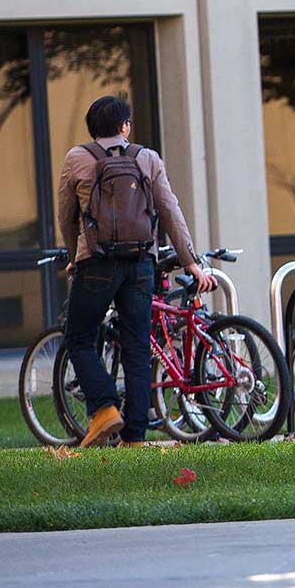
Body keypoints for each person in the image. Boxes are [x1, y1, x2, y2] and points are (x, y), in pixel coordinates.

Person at [56, 94, 213, 447]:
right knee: (138, 347)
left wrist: (73, 254)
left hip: (96, 263)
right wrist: (190, 262)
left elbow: (67, 215)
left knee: (79, 337)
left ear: (92, 127)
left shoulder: (77, 158)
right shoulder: (147, 158)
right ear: (125, 126)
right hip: (141, 263)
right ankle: (136, 436)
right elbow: (170, 211)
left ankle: (105, 407)